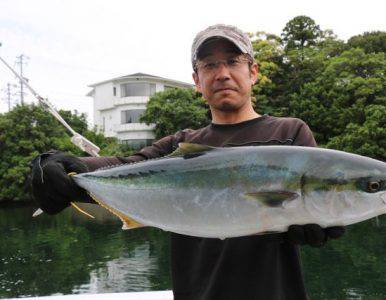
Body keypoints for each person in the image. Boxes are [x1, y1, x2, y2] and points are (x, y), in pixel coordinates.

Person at [31, 24, 345, 300]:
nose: (222, 73)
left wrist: (316, 225)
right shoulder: (179, 145)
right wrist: (68, 167)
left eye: (233, 61)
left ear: (253, 72)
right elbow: (125, 166)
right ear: (196, 79)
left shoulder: (289, 134)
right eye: (209, 65)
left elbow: (318, 199)